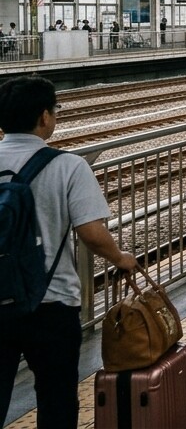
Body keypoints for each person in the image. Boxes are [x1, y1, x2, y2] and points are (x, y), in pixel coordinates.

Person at [0, 77, 139, 429]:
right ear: (45, 117)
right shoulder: (68, 166)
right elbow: (92, 234)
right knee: (56, 397)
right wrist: (121, 259)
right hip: (52, 304)